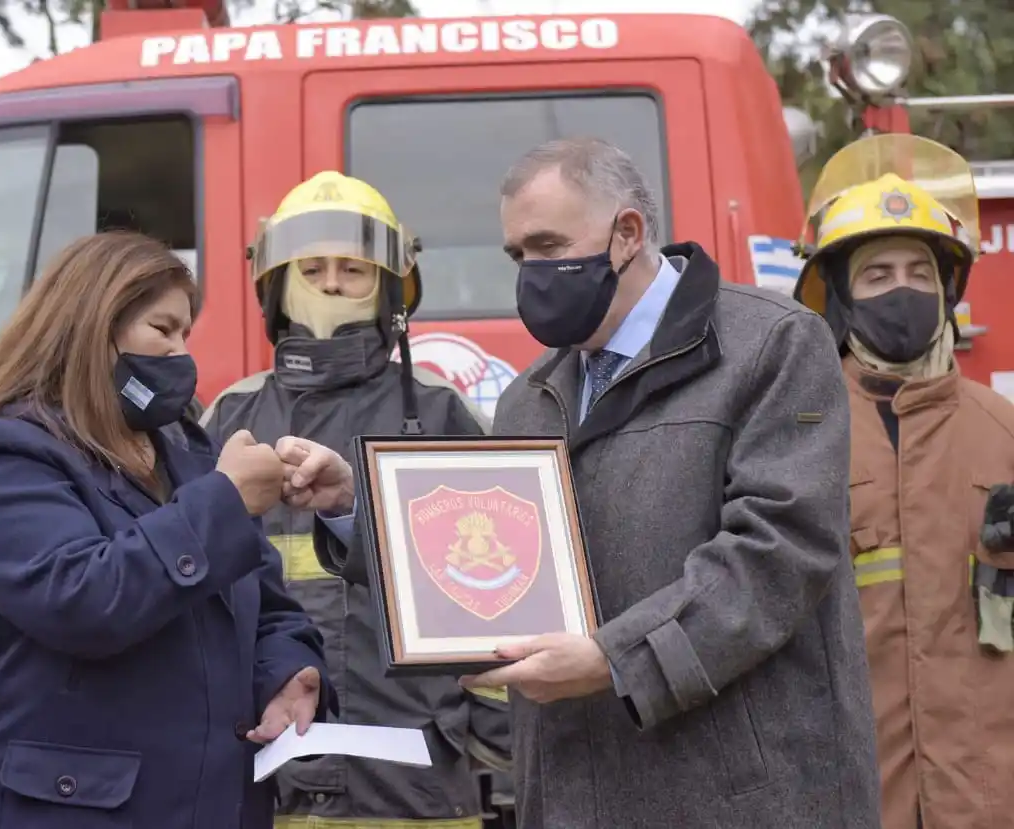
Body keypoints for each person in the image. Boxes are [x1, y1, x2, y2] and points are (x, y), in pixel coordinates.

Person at [279, 137, 882, 828]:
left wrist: (611, 659)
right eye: (517, 255)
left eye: (546, 245)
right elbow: (484, 560)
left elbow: (778, 554)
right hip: (576, 793)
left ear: (627, 234)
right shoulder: (530, 396)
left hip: (738, 796)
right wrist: (356, 510)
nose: (532, 272)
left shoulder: (771, 345)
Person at [0, 231, 334, 829]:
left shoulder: (188, 452)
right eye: (162, 330)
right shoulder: (1, 454)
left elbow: (268, 604)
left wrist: (288, 671)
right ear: (94, 327)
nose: (181, 354)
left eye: (186, 334)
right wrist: (224, 501)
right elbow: (82, 600)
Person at [201, 171, 511, 829]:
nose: (334, 285)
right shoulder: (230, 417)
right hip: (267, 774)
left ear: (392, 289)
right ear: (276, 285)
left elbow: (494, 598)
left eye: (352, 269)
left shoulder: (437, 411)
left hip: (417, 777)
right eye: (312, 269)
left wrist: (496, 745)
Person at [794, 133, 1014, 829]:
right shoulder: (798, 430)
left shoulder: (1001, 429)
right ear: (841, 298)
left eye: (920, 272)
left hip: (986, 799)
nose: (903, 291)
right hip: (853, 796)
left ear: (949, 287)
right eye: (878, 274)